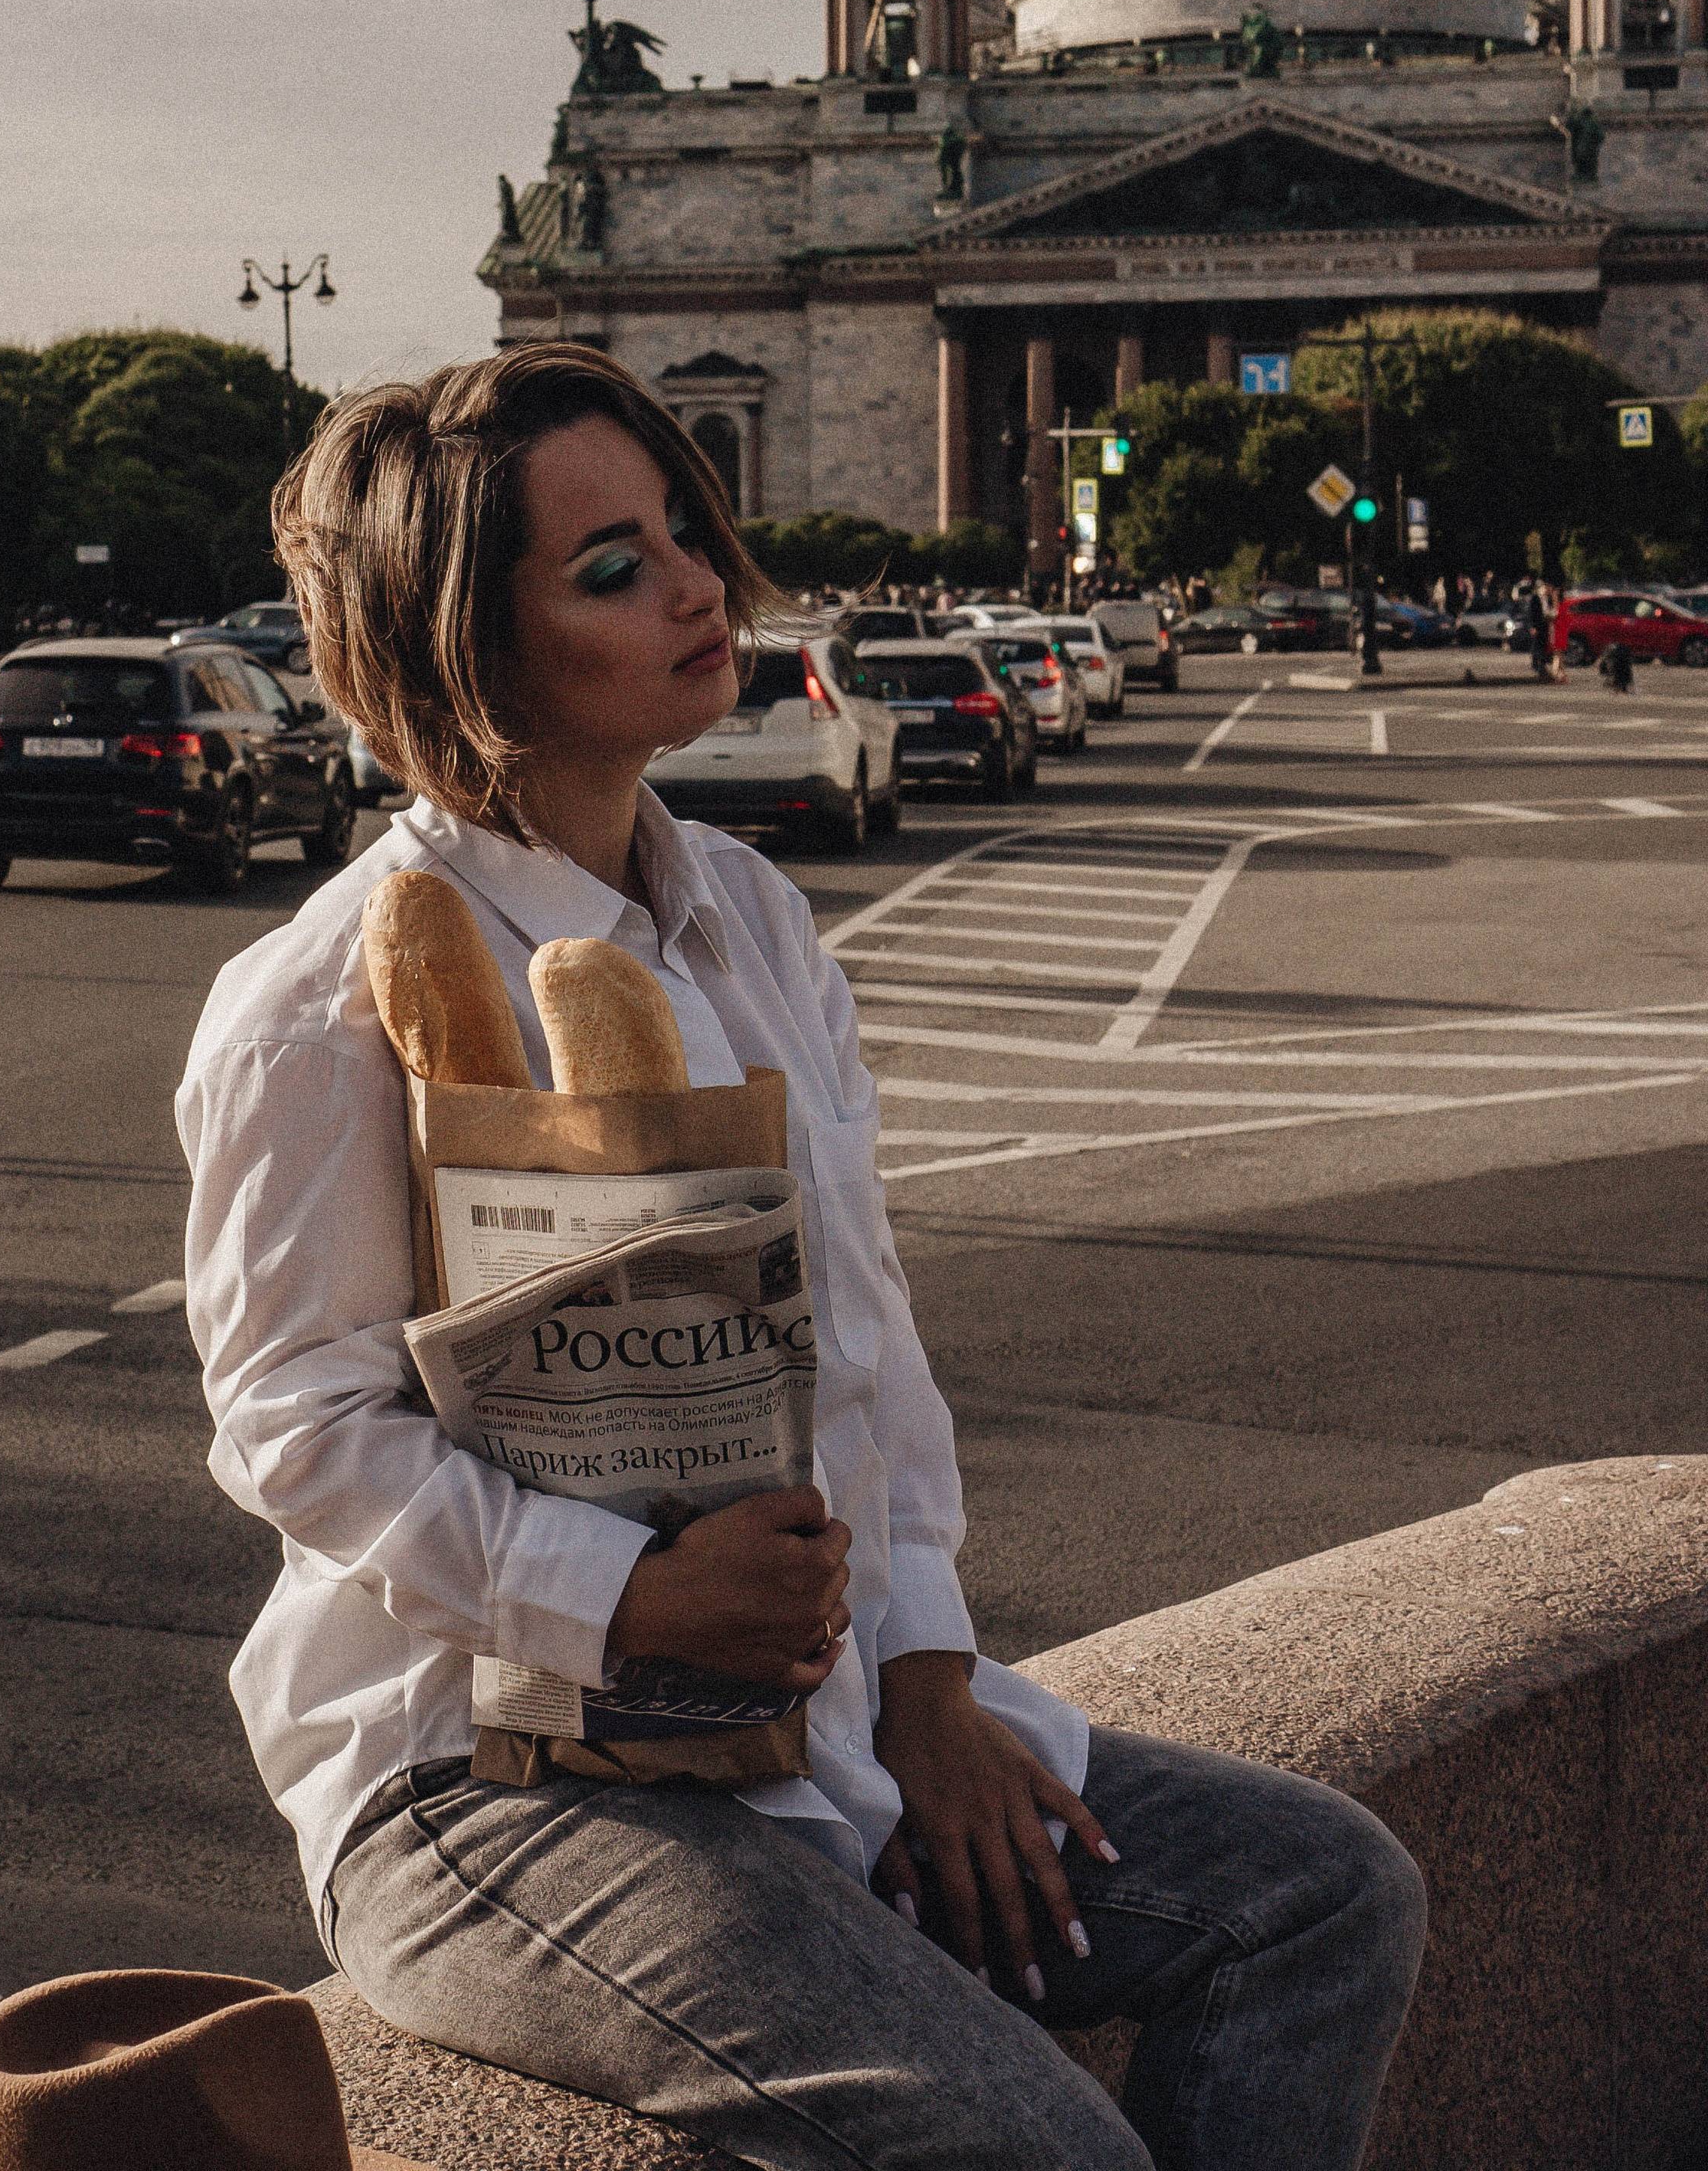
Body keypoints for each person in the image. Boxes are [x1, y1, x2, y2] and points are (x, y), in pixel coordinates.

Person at [178, 344, 1425, 2171]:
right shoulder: (317, 1002)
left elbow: (867, 1346)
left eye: (684, 522)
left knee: (1319, 1896)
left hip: (809, 1724)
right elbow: (290, 1422)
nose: (697, 582)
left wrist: (927, 1674)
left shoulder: (746, 913)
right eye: (609, 564)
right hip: (485, 1784)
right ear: (459, 643)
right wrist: (611, 1596)